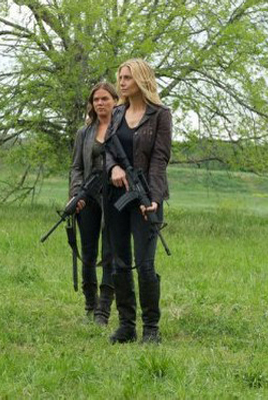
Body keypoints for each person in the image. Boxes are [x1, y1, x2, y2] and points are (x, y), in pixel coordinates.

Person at [104, 59, 172, 344]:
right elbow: (107, 149)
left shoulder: (160, 115)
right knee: (119, 262)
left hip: (146, 197)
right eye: (120, 77)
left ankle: (151, 328)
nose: (121, 83)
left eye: (127, 78)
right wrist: (113, 168)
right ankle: (126, 325)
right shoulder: (117, 113)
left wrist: (153, 198)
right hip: (116, 196)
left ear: (141, 80)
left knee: (145, 264)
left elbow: (159, 158)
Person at [69, 82, 118, 325]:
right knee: (88, 253)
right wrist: (76, 194)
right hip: (88, 196)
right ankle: (90, 304)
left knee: (110, 252)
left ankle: (104, 309)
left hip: (114, 197)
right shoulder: (84, 133)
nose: (100, 103)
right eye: (96, 99)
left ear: (115, 101)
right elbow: (76, 166)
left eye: (105, 98)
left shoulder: (122, 128)